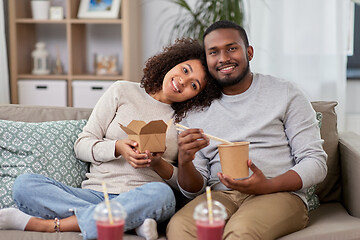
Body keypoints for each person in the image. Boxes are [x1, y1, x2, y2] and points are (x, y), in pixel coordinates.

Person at [0, 38, 221, 240]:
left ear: (197, 95)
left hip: (142, 196)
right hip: (93, 194)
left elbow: (192, 189)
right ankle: (130, 223)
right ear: (173, 62)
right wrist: (117, 148)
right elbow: (82, 145)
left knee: (163, 196)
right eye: (185, 70)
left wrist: (158, 164)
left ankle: (52, 226)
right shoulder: (122, 91)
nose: (182, 81)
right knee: (24, 185)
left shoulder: (186, 120)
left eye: (194, 85)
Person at [166, 20, 328, 240]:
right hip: (220, 196)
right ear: (207, 60)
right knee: (179, 227)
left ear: (249, 52)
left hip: (279, 194)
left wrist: (268, 185)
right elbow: (193, 189)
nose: (223, 58)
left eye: (232, 48)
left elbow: (315, 162)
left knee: (241, 232)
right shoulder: (194, 111)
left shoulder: (285, 92)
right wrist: (185, 161)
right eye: (214, 52)